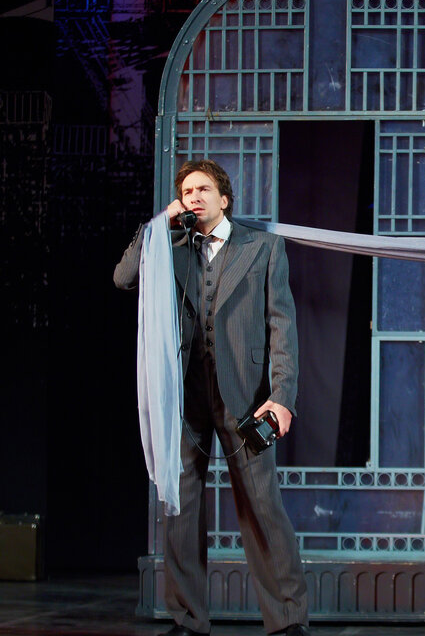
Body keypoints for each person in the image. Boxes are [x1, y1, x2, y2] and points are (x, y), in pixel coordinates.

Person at [114, 160, 310, 636]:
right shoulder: (169, 247)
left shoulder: (262, 247)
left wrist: (282, 397)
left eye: (203, 189)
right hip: (183, 399)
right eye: (186, 192)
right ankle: (188, 620)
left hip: (247, 398)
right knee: (180, 513)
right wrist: (159, 224)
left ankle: (288, 620)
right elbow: (123, 277)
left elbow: (282, 327)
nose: (194, 197)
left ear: (225, 198)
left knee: (263, 508)